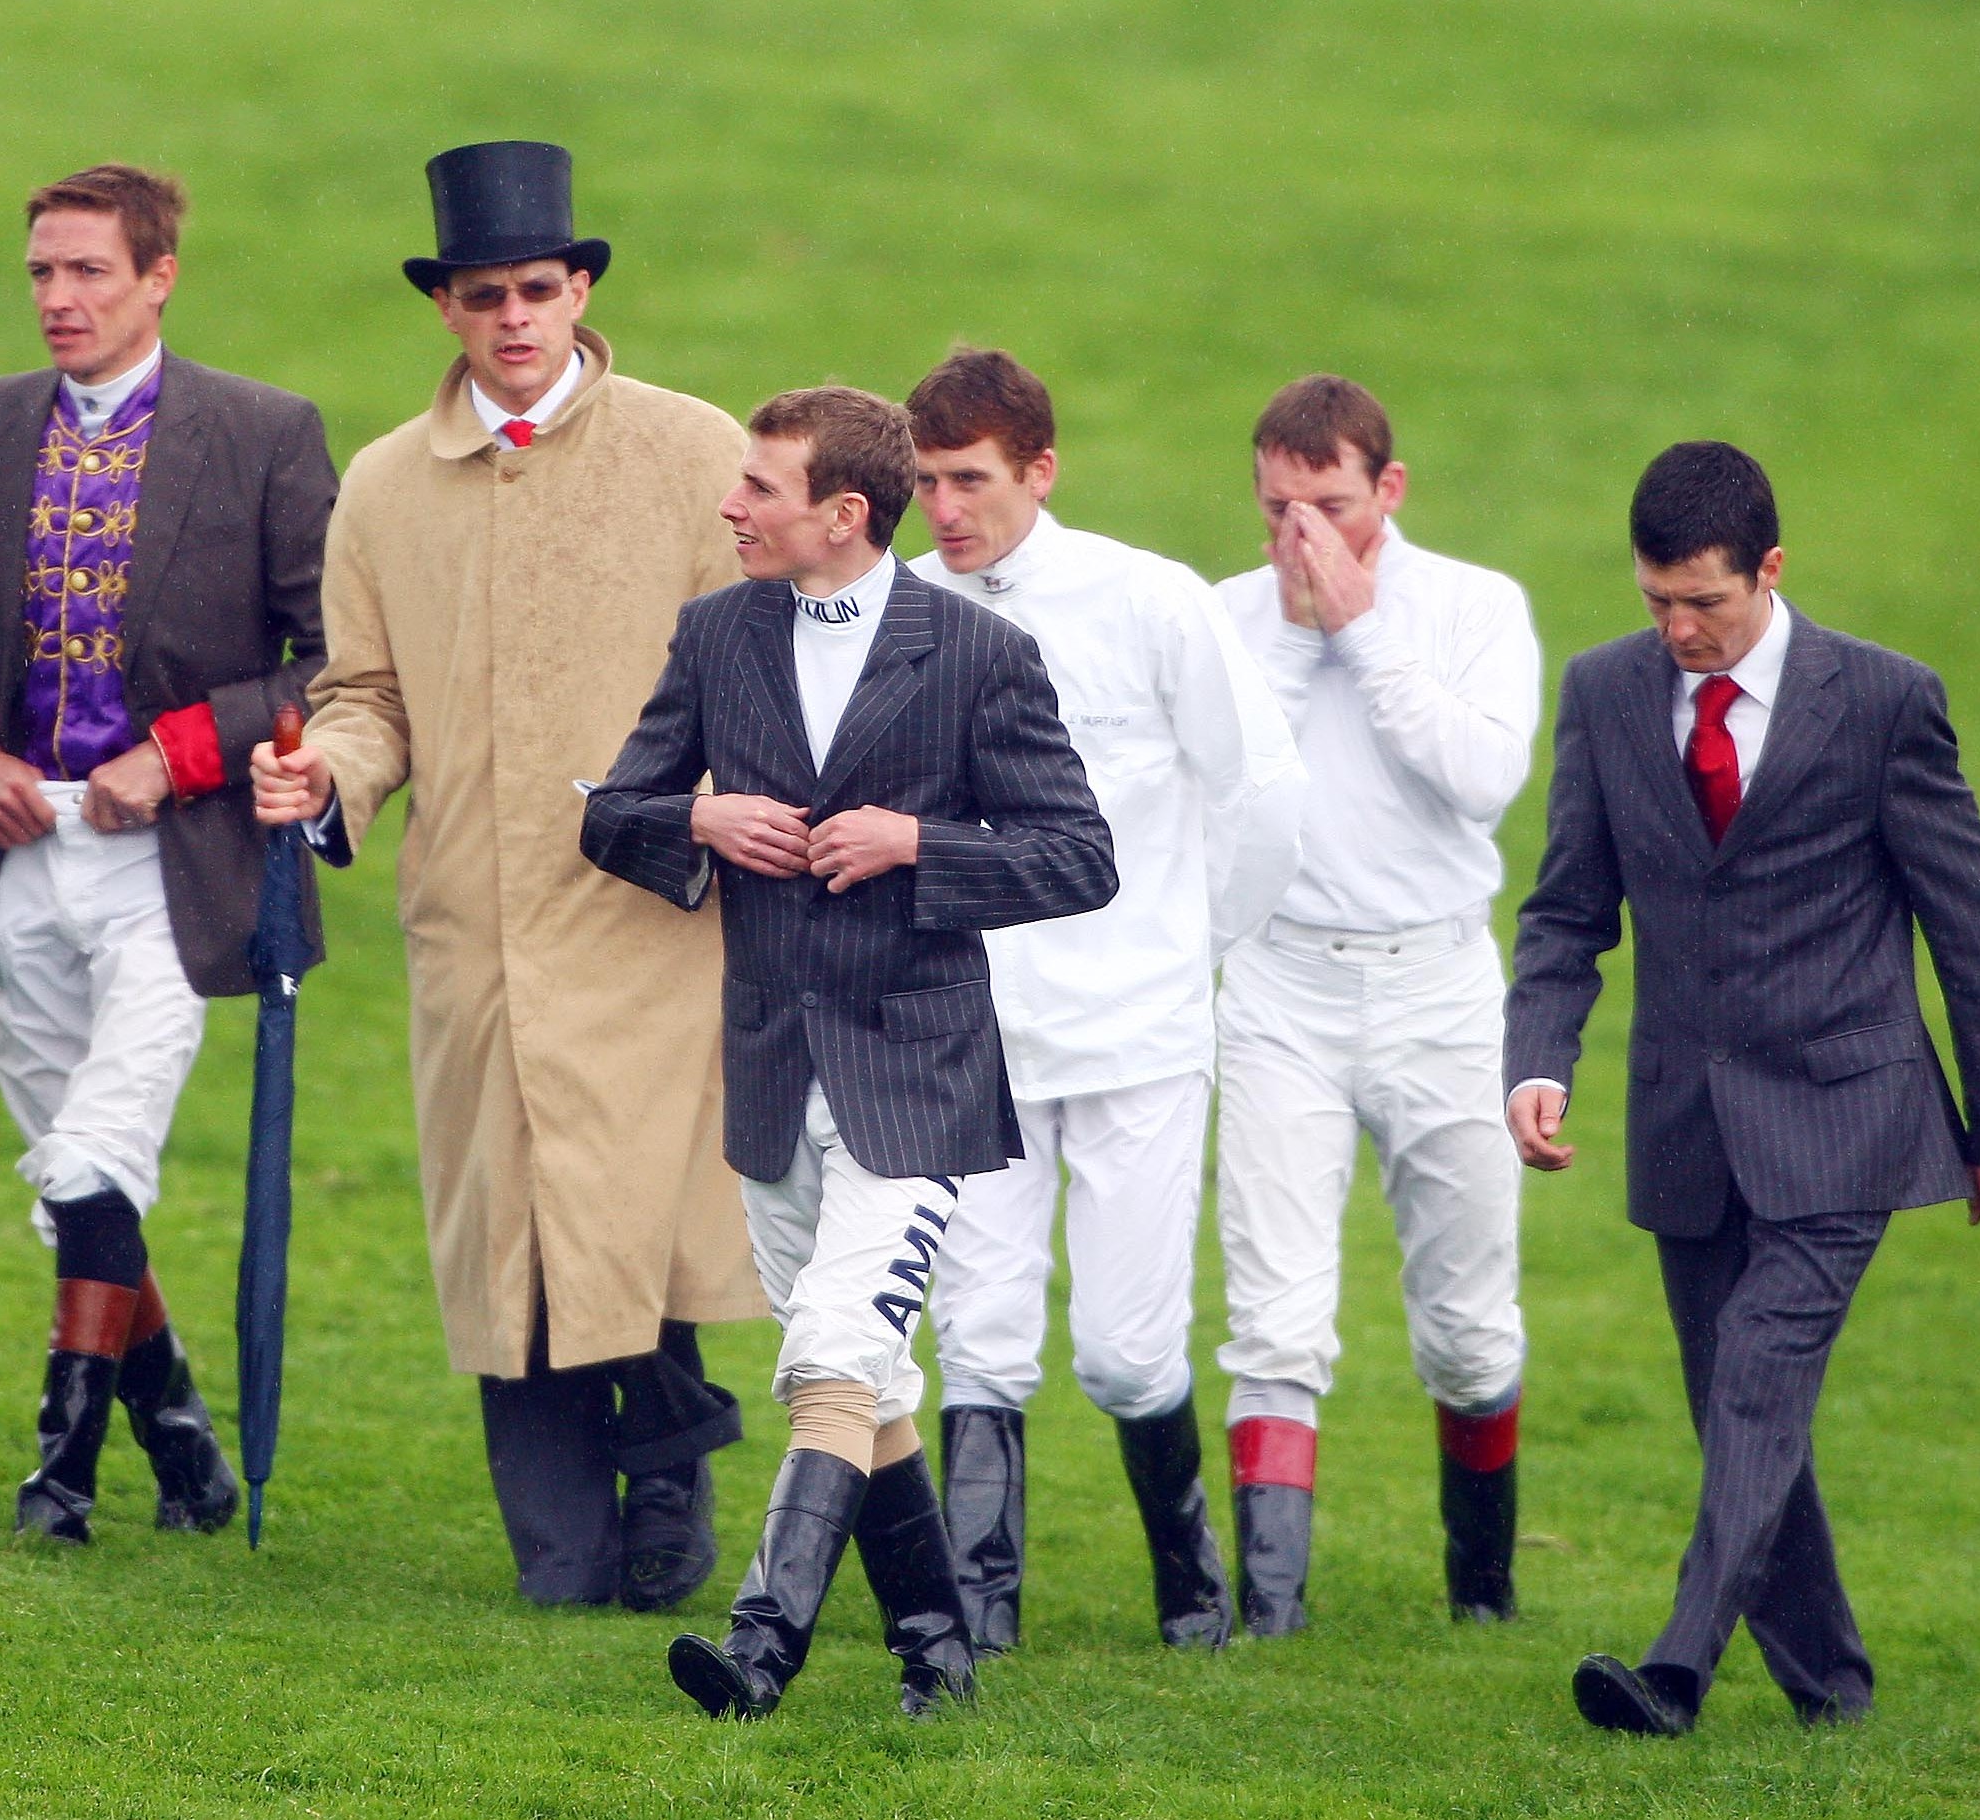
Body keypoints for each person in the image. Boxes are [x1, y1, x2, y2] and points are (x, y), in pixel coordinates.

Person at [248, 142, 759, 1609]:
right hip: (473, 921)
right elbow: (364, 698)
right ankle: (558, 1543)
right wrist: (325, 779)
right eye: (486, 297)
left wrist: (720, 808)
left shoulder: (689, 451)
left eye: (539, 289)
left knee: (635, 1217)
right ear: (448, 310)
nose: (516, 318)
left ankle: (668, 1491)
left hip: (650, 918)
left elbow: (765, 674)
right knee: (505, 1236)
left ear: (580, 287)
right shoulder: (383, 486)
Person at [584, 385, 1120, 1719]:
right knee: (861, 1375)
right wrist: (702, 823)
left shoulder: (977, 655)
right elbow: (615, 814)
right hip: (769, 1065)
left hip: (920, 1072)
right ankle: (936, 1640)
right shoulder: (716, 634)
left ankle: (760, 1643)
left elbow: (1080, 856)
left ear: (839, 513)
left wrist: (917, 844)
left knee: (830, 1345)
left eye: (756, 488)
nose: (729, 504)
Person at [1508, 441, 1980, 1734]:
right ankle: (1830, 1684)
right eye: (1656, 602)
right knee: (1739, 1413)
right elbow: (1566, 909)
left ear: (1770, 568)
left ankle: (1676, 1666)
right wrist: (1538, 1056)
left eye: (1705, 600)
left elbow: (1965, 924)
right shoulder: (1600, 694)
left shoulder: (1880, 702)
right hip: (1685, 1127)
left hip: (1846, 1114)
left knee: (1754, 1381)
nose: (1680, 628)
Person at [0, 164, 337, 1542]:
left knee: (98, 1144)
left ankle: (60, 1469)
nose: (58, 297)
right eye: (43, 270)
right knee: (69, 1172)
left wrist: (182, 752)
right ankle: (179, 1442)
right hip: (18, 843)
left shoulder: (263, 433)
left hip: (174, 861)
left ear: (159, 275)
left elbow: (329, 657)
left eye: (89, 271)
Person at [903, 349, 1306, 1654]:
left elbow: (1257, 789)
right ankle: (978, 1611)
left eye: (969, 479)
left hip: (1133, 1031)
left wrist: (1188, 946)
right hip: (973, 1034)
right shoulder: (894, 610)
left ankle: (1190, 1591)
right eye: (923, 482)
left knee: (1130, 1349)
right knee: (978, 1332)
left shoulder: (1147, 600)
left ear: (1040, 469)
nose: (945, 508)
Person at [1209, 375, 1542, 1631]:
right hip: (1282, 983)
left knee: (1467, 1327)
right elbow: (1235, 795)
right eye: (1278, 509)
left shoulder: (1473, 606)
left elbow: (1481, 779)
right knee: (1275, 1316)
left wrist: (1360, 629)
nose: (1303, 537)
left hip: (1442, 988)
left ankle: (1484, 1587)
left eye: (1330, 507)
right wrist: (1299, 636)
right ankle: (1273, 1615)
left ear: (1387, 491)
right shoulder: (1233, 619)